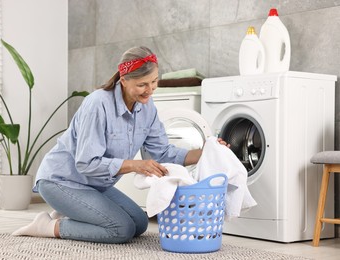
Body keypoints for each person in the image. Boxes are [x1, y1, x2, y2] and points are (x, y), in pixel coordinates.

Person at [12, 46, 228, 243]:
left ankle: (78, 210)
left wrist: (208, 150)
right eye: (142, 84)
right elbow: (86, 164)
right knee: (121, 229)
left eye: (154, 81)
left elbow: (162, 152)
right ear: (123, 80)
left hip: (95, 185)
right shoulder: (98, 104)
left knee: (140, 224)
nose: (150, 89)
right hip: (62, 181)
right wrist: (135, 165)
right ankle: (49, 225)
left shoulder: (147, 107)